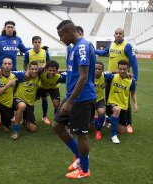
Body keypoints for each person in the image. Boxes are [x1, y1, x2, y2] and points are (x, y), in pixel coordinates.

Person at [53, 20, 96, 179]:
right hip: (71, 96)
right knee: (57, 125)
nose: (60, 38)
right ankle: (78, 155)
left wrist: (70, 102)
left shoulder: (82, 47)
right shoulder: (73, 48)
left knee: (81, 134)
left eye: (61, 35)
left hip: (81, 98)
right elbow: (75, 73)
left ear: (70, 32)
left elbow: (83, 77)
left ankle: (84, 170)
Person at [95, 28, 138, 132]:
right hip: (111, 76)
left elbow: (134, 61)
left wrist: (135, 78)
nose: (118, 35)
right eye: (116, 33)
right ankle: (110, 120)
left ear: (123, 35)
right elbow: (105, 52)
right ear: (114, 35)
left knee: (124, 100)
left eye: (120, 34)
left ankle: (128, 124)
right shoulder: (111, 44)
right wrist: (94, 50)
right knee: (109, 99)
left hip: (123, 76)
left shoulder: (127, 46)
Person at [106, 60, 138, 144]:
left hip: (123, 105)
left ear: (128, 69)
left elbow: (133, 93)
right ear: (118, 68)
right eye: (120, 69)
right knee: (117, 109)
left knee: (122, 130)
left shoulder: (131, 81)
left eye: (124, 69)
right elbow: (103, 73)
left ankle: (106, 119)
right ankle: (113, 135)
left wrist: (135, 104)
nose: (122, 71)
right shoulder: (112, 77)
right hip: (112, 102)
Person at [11, 61, 40, 140]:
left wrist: (67, 70)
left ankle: (25, 120)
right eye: (32, 69)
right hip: (17, 100)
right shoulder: (21, 75)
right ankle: (15, 130)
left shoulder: (39, 75)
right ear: (28, 69)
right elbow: (8, 71)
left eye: (36, 69)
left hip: (29, 104)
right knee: (22, 105)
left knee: (33, 128)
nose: (34, 71)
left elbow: (50, 69)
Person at [36, 60, 66, 125]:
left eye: (54, 71)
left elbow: (66, 73)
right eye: (50, 70)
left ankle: (56, 120)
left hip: (53, 88)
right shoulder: (41, 72)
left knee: (56, 104)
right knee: (43, 99)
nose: (51, 72)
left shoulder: (59, 76)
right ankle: (44, 117)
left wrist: (66, 70)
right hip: (42, 87)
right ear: (46, 69)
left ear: (57, 70)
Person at [94, 61, 107, 140]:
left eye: (99, 69)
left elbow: (115, 73)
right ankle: (106, 119)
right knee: (89, 125)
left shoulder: (106, 76)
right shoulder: (87, 75)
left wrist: (128, 74)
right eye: (95, 68)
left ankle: (98, 131)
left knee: (102, 112)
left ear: (102, 70)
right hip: (89, 100)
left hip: (99, 99)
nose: (97, 70)